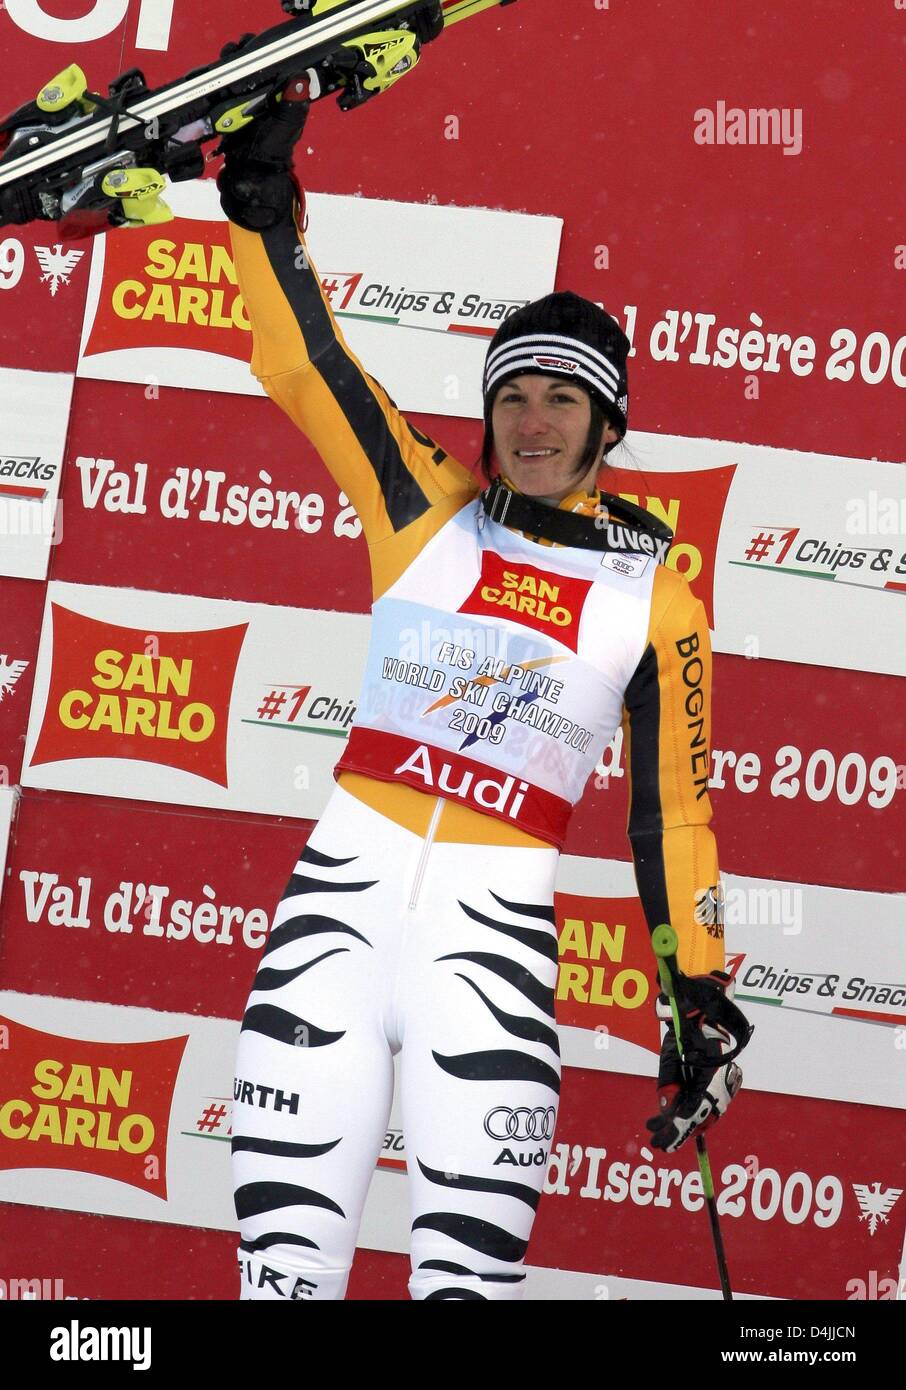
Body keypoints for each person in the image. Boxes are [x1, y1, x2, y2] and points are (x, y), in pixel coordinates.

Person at [217, 78, 752, 1302]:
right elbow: (310, 367)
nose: (532, 418)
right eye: (512, 392)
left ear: (608, 419)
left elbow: (672, 813)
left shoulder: (657, 587)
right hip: (333, 929)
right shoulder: (422, 504)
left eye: (563, 395)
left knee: (467, 1291)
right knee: (284, 1279)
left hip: (490, 949)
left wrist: (696, 988)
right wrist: (261, 211)